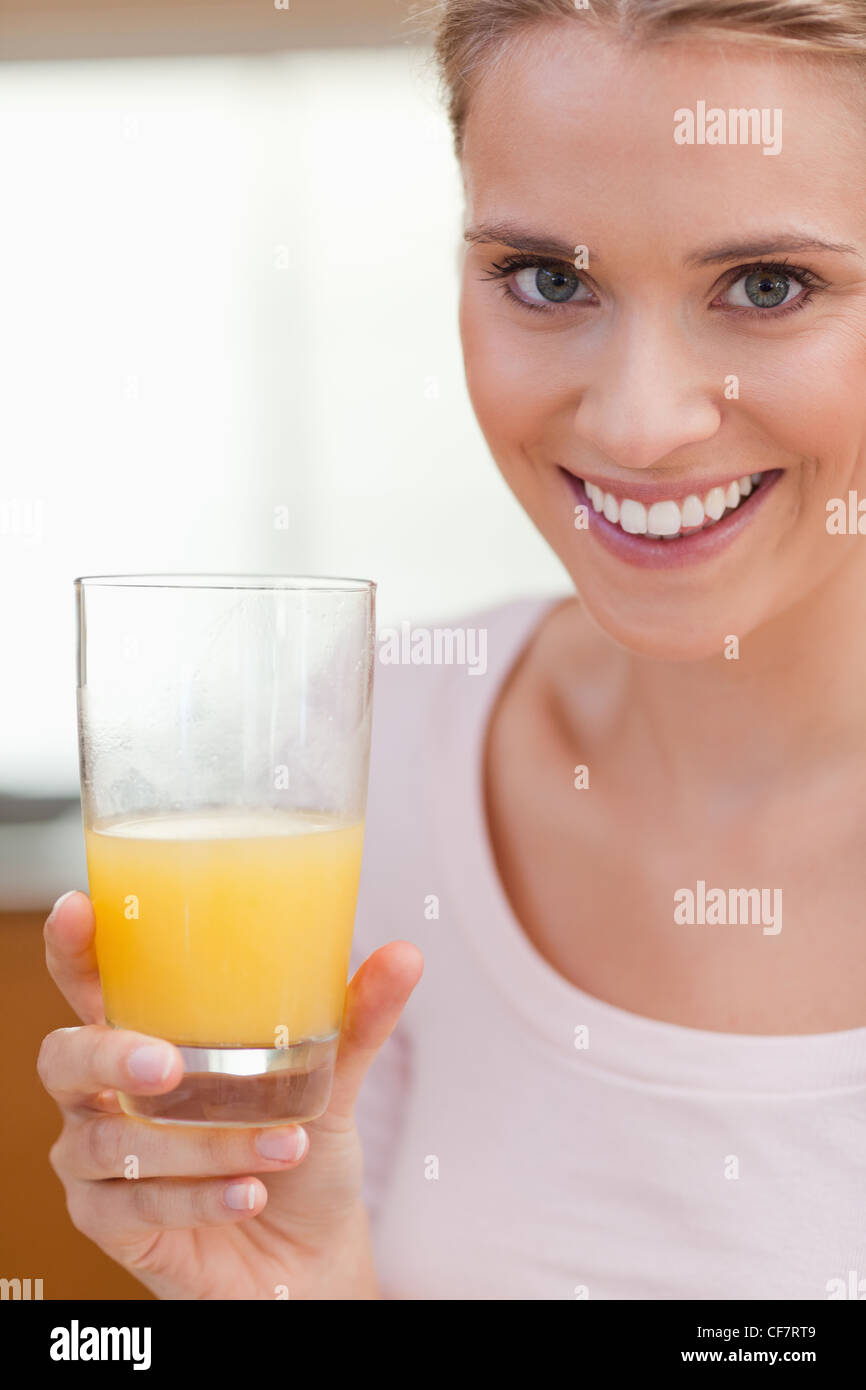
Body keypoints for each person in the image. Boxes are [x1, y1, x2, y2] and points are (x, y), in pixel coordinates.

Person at [39, 0, 866, 1299]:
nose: (641, 424)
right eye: (549, 278)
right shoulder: (367, 739)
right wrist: (291, 1282)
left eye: (767, 286)